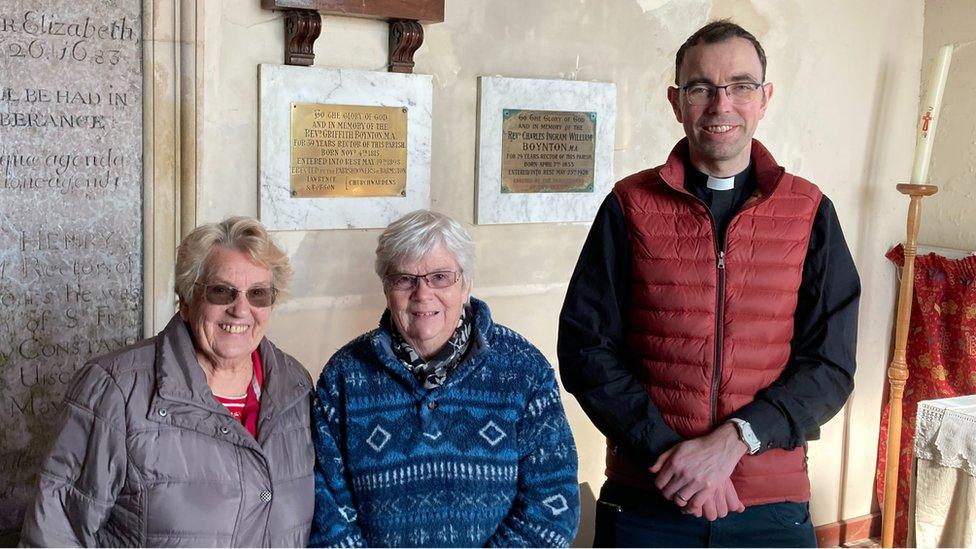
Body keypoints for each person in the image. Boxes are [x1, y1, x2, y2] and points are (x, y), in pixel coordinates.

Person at [558, 20, 860, 548]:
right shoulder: (629, 206)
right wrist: (676, 458)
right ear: (677, 102)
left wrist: (732, 443)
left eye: (741, 86)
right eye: (701, 88)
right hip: (648, 495)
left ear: (765, 98)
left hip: (768, 500)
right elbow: (586, 347)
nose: (722, 105)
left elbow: (830, 364)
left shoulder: (810, 211)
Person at [20, 216, 315, 547]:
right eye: (221, 291)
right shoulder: (114, 390)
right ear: (187, 301)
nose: (241, 309)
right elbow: (56, 533)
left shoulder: (295, 386)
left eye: (258, 294)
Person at [310, 209, 580, 547]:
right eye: (404, 279)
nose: (423, 294)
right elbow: (327, 510)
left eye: (440, 277)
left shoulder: (522, 369)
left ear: (466, 284)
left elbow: (553, 507)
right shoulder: (344, 375)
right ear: (386, 288)